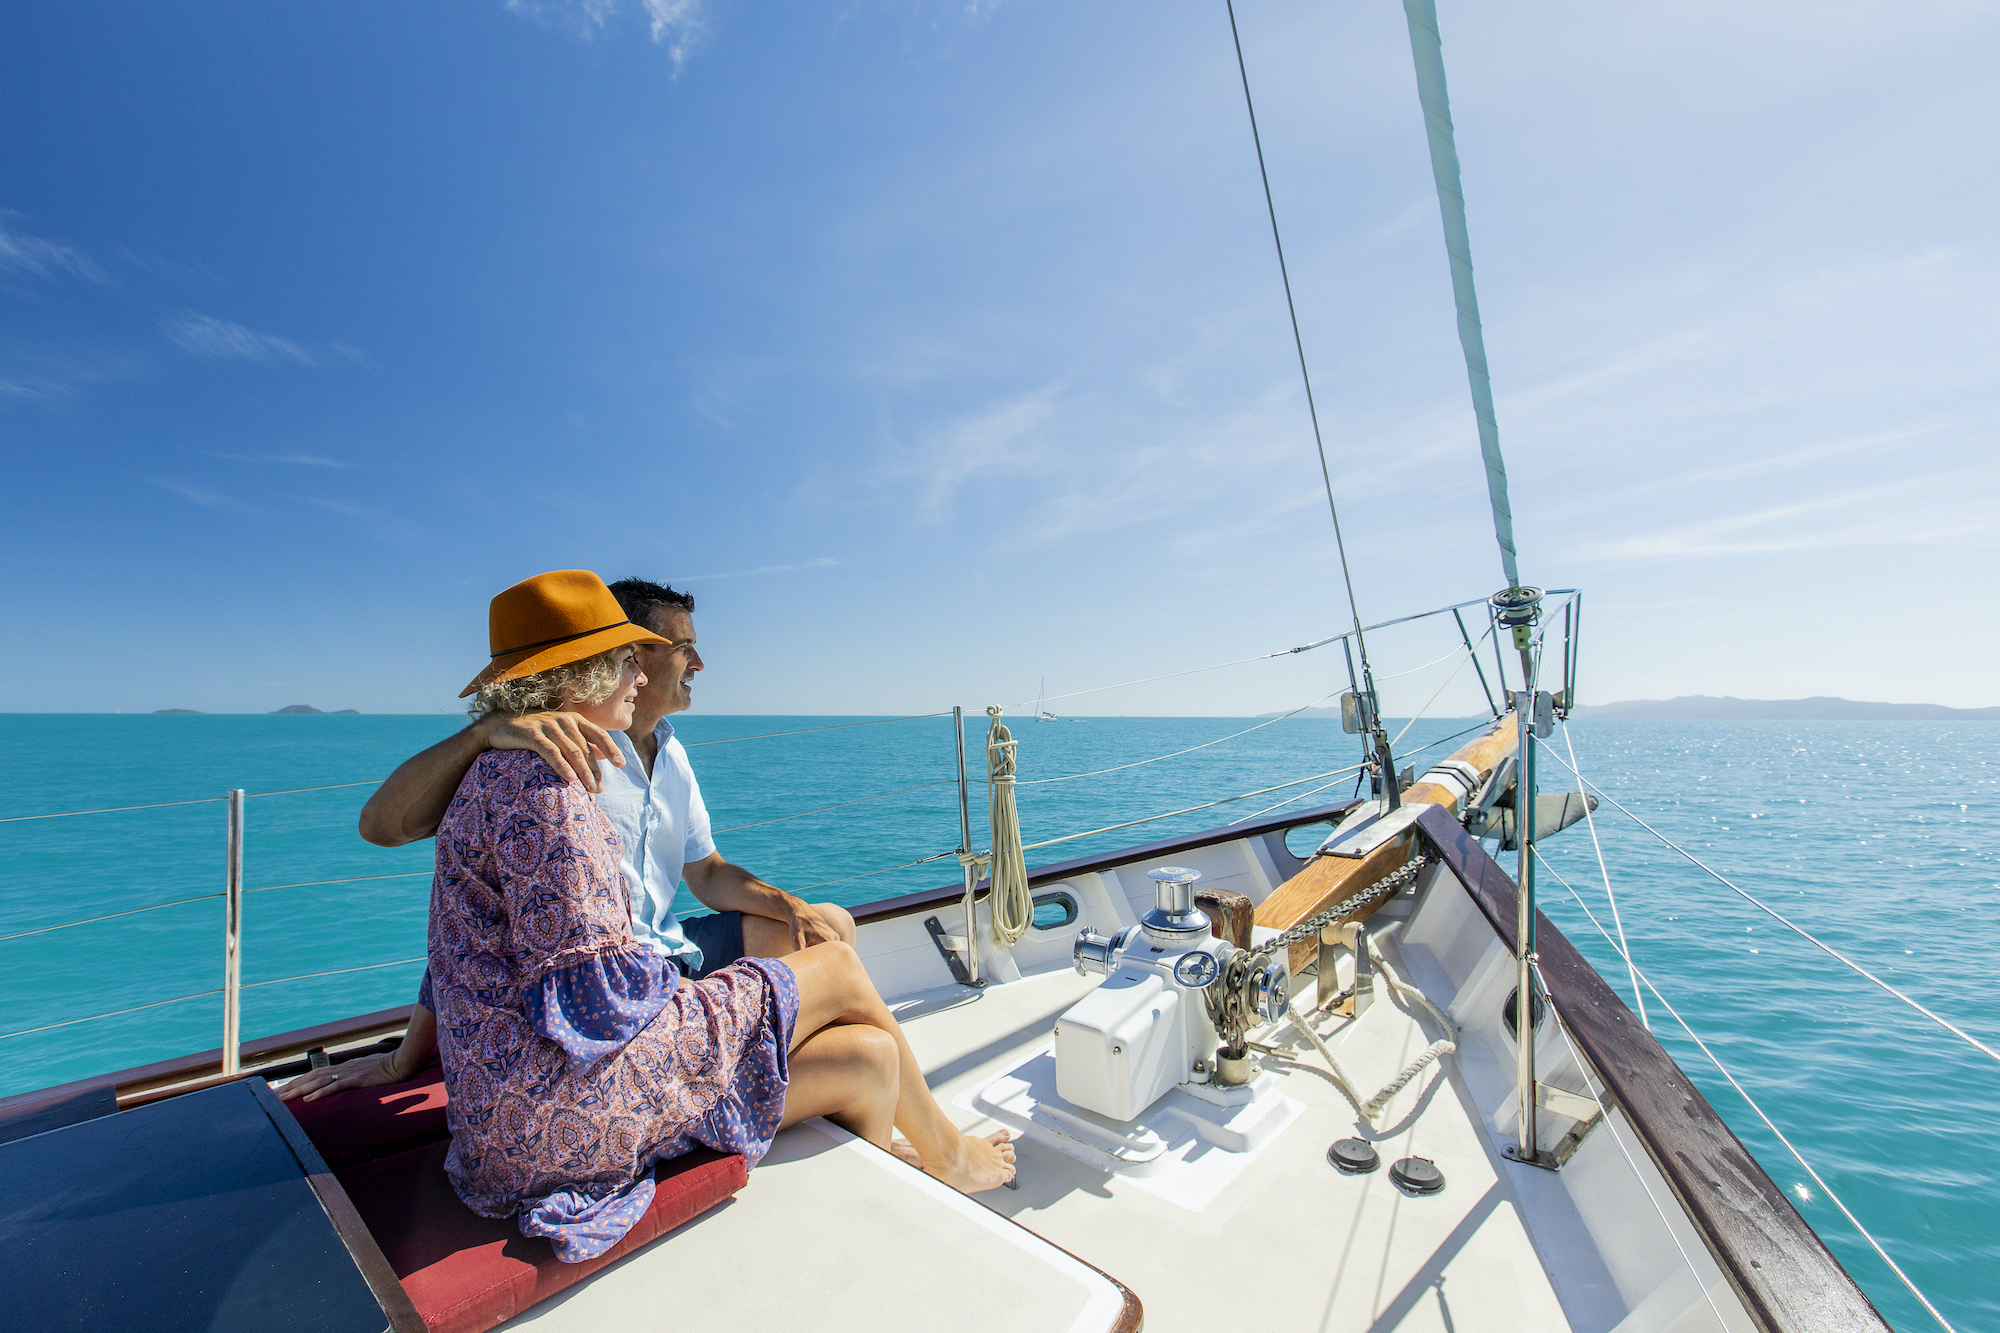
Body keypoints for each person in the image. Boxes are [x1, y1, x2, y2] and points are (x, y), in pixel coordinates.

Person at [285, 570, 1010, 1261]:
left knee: (856, 1018)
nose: (650, 671)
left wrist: (779, 919)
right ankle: (946, 1153)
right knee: (842, 975)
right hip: (575, 1082)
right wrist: (406, 1055)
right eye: (632, 659)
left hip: (528, 1090)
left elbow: (477, 941)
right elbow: (597, 1006)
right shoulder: (556, 784)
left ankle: (903, 1152)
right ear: (590, 673)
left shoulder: (548, 770)